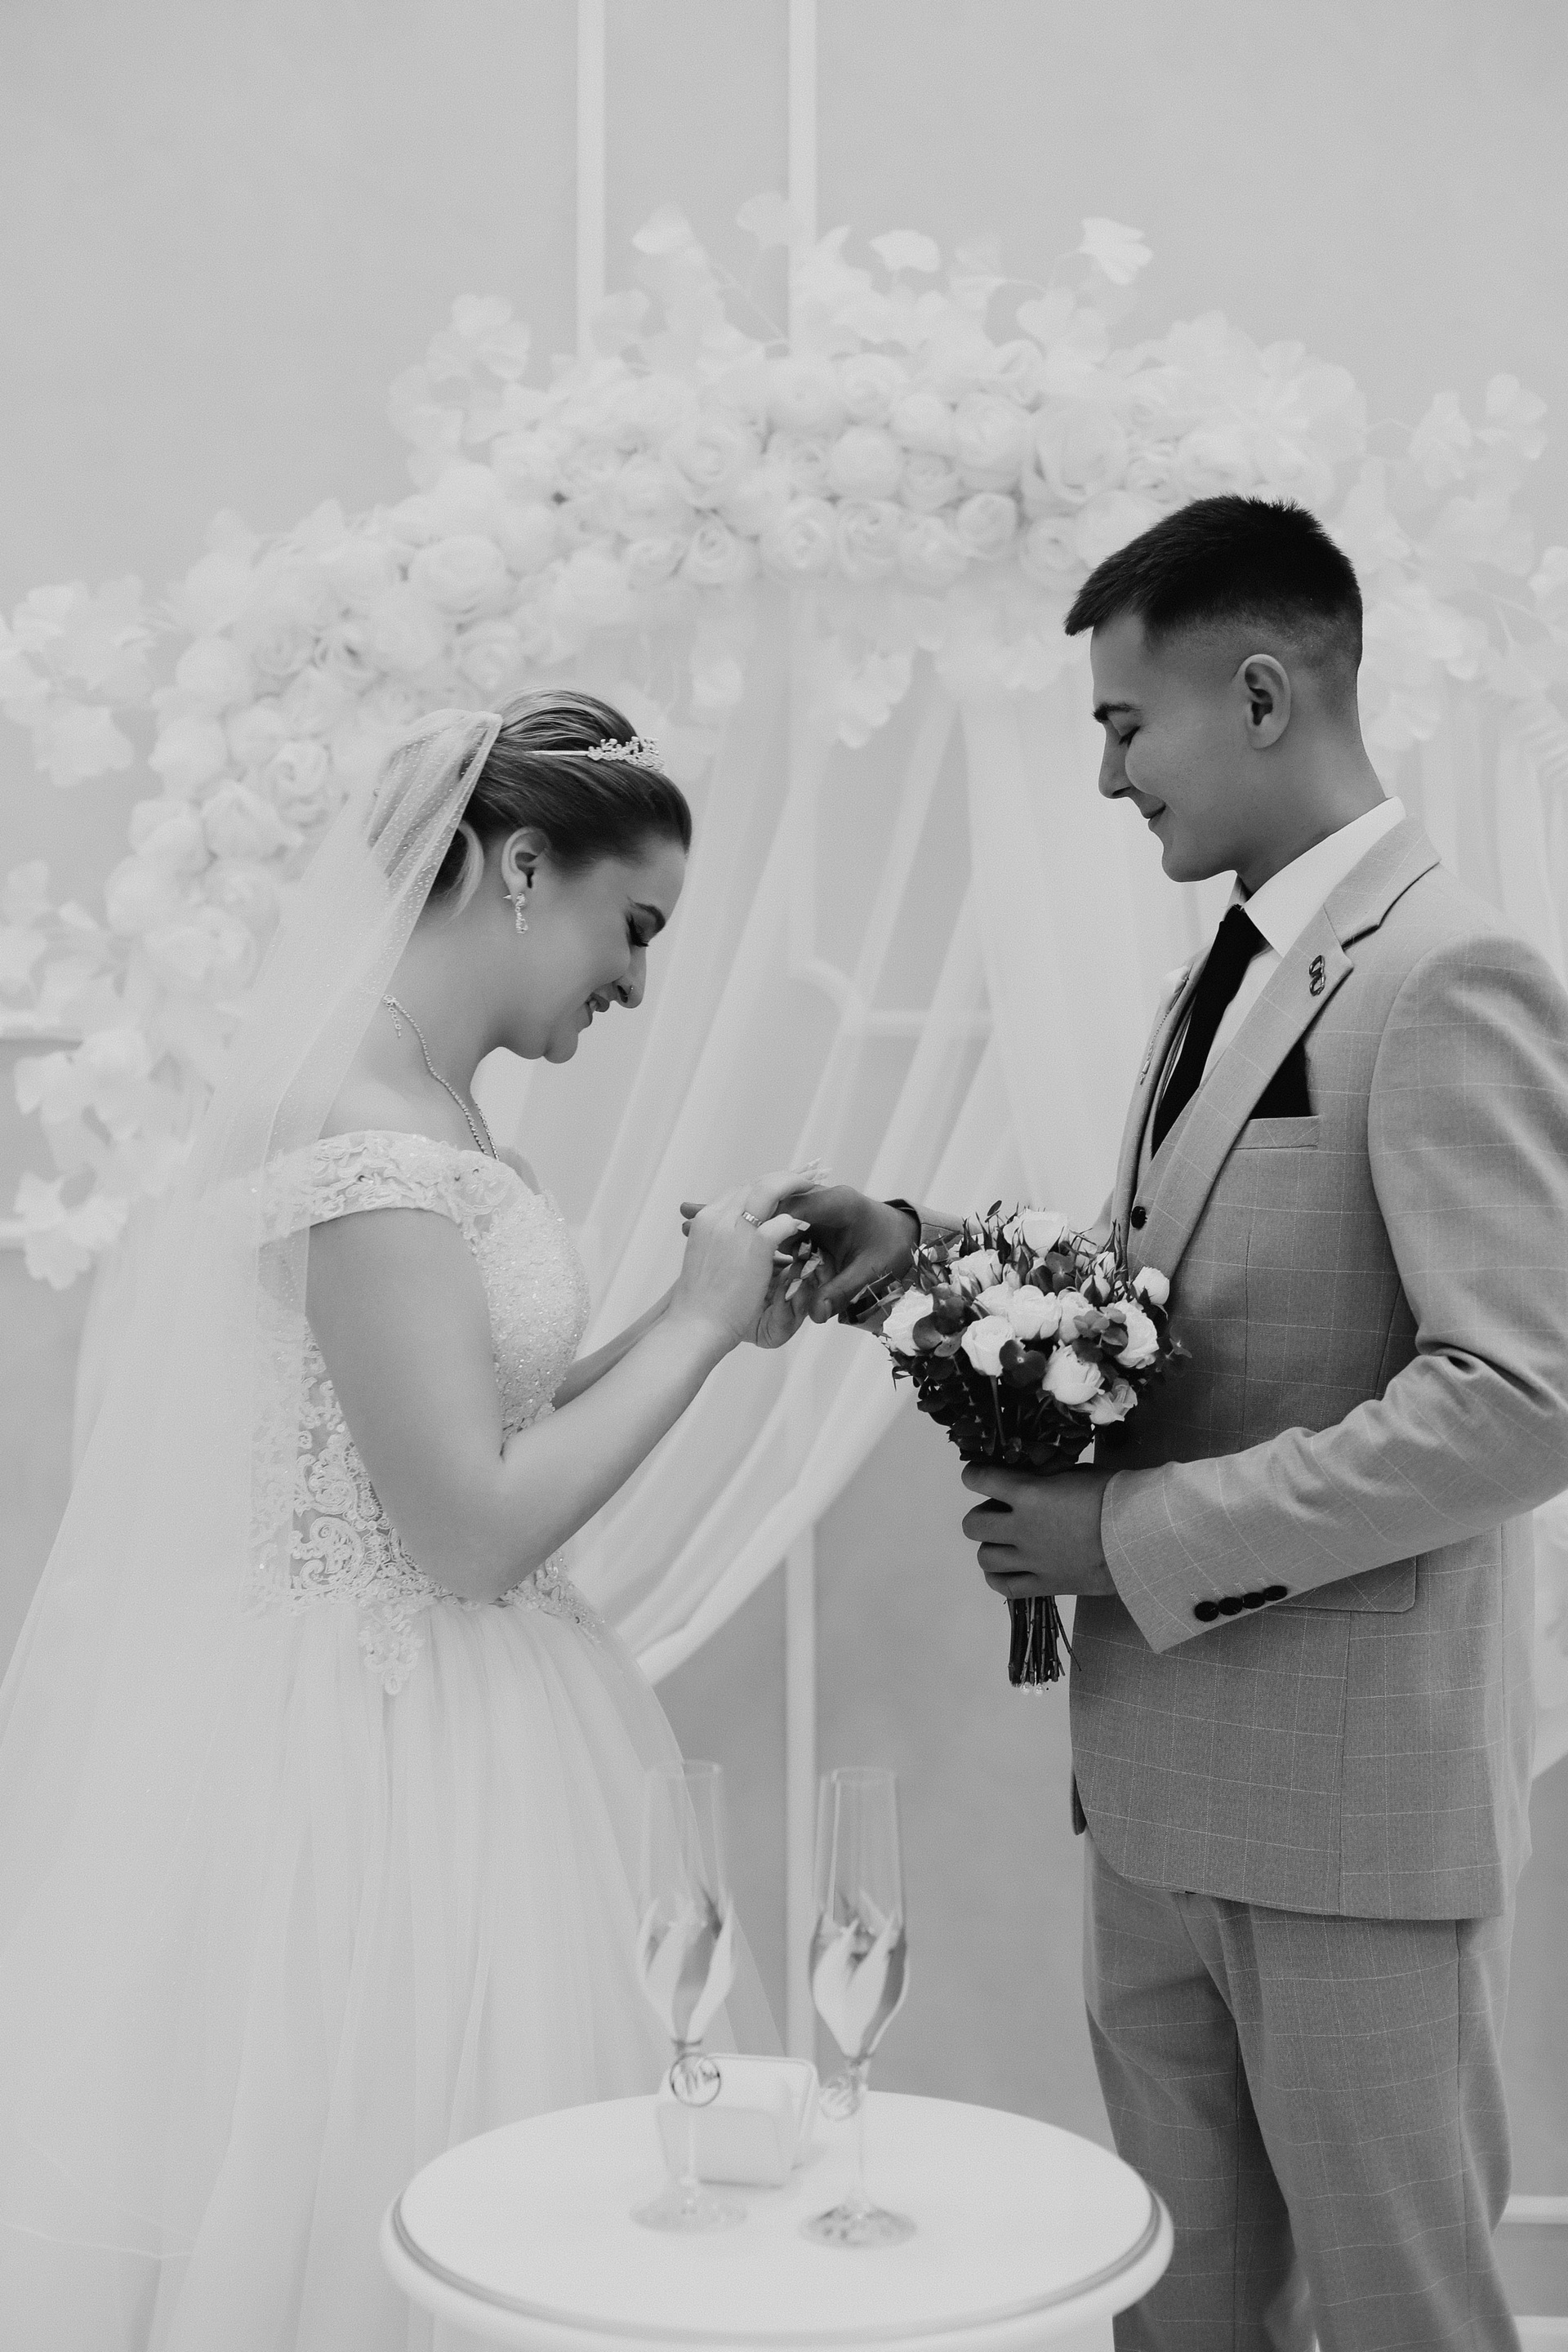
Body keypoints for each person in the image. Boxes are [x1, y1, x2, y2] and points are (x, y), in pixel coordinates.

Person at [792, 497, 1568, 2351]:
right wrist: (916, 1247)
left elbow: (1521, 1403)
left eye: (1126, 725)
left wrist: (1120, 1540)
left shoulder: (1447, 972)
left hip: (1351, 1828)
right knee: (1181, 2318)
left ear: (1265, 694)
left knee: (1404, 2321)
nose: (1107, 776)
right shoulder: (1220, 975)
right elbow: (1178, 1302)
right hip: (1155, 1806)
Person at [0, 692, 809, 2351]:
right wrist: (696, 1325)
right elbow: (464, 1531)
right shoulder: (356, 1127)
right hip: (364, 1764)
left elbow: (473, 1424)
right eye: (635, 927)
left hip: (471, 1717)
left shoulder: (432, 1110)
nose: (638, 984)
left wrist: (697, 1318)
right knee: (388, 2207)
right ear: (522, 866)